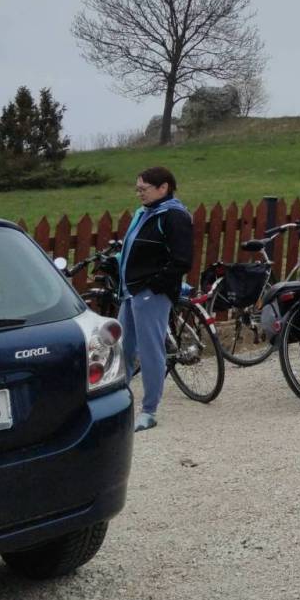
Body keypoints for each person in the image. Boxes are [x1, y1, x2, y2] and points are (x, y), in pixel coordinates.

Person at [118, 166, 194, 432]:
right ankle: (117, 401)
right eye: (137, 189)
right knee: (122, 349)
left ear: (163, 188)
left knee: (150, 351)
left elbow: (182, 260)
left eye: (144, 189)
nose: (139, 193)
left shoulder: (174, 216)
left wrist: (154, 286)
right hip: (131, 292)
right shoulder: (144, 213)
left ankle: (149, 410)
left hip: (150, 295)